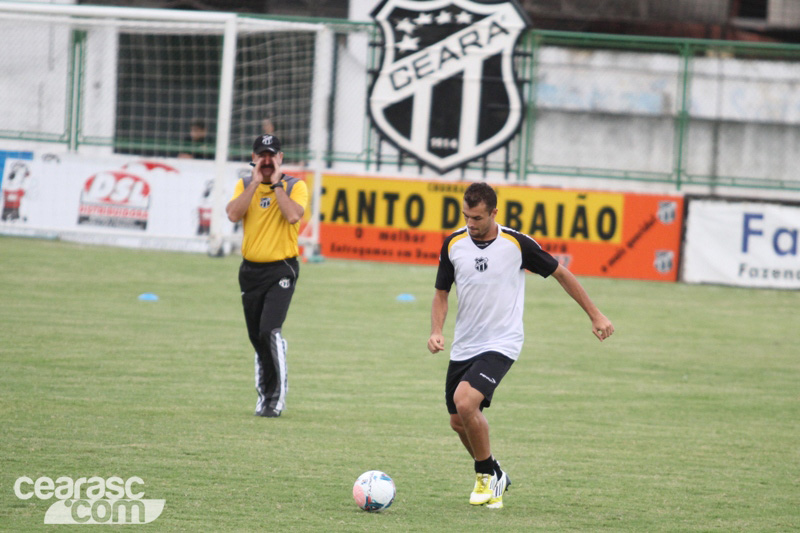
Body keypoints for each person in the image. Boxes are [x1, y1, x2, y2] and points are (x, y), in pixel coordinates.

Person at [427, 182, 614, 509]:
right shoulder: (453, 244)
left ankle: (485, 476)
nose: (471, 223)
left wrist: (596, 315)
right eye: (466, 216)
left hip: (502, 341)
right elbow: (442, 292)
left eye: (478, 217)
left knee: (466, 402)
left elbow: (561, 274)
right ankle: (495, 471)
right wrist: (436, 331)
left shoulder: (517, 244)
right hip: (465, 345)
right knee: (458, 420)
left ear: (494, 212)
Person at [226, 134, 308, 418]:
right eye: (262, 155)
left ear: (281, 158)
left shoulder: (295, 186)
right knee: (256, 337)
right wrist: (254, 181)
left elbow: (293, 216)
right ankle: (265, 398)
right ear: (254, 158)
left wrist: (274, 185)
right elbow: (233, 215)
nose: (267, 160)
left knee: (269, 331)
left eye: (271, 155)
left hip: (281, 269)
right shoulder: (245, 185)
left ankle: (276, 400)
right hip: (250, 271)